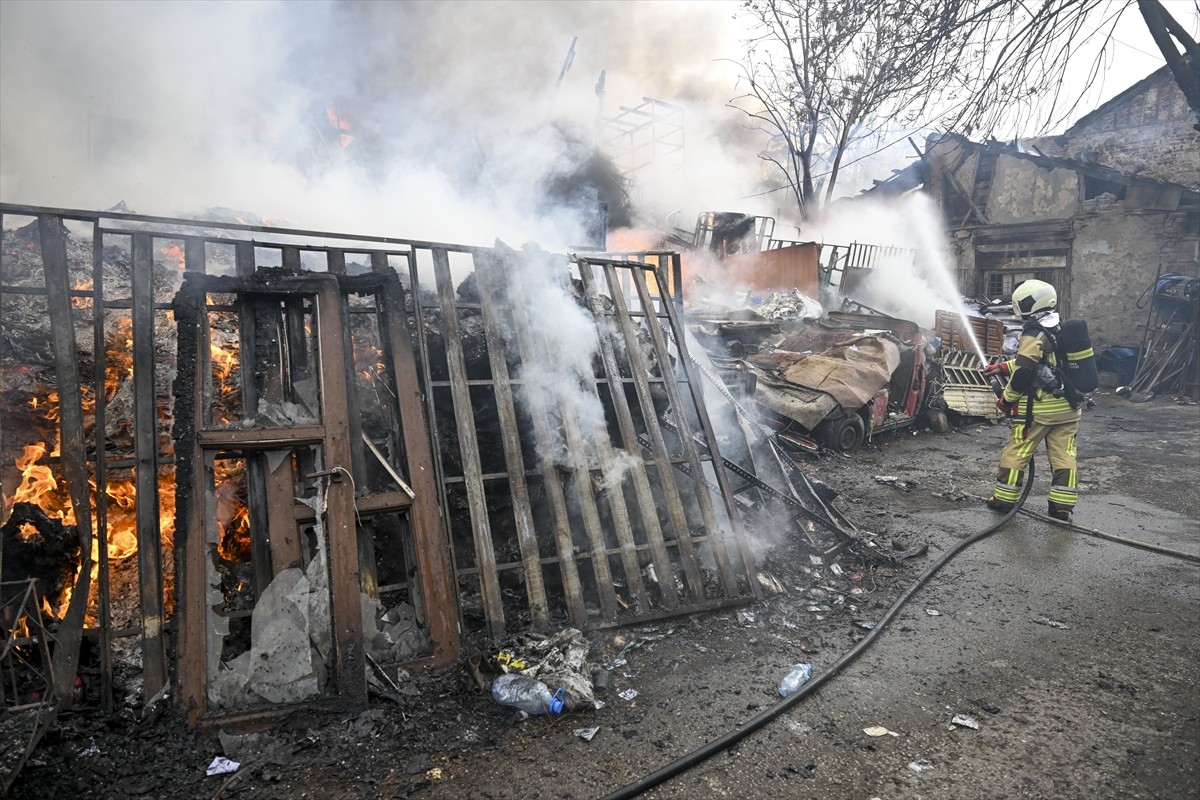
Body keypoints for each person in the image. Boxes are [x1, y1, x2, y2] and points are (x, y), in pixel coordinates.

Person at [984, 279, 1082, 521]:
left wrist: (1006, 400)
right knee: (1064, 455)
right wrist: (1004, 367)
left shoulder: (1034, 332)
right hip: (1069, 407)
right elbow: (1047, 363)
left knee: (1017, 451)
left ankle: (1004, 500)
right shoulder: (1062, 327)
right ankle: (1062, 506)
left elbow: (1025, 371)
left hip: (1038, 409)